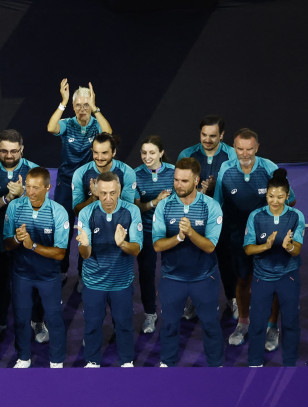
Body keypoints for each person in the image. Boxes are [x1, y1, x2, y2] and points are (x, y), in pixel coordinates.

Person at [214, 129, 292, 346]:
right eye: (240, 149)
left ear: (257, 147)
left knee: (272, 281)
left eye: (250, 149)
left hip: (269, 235)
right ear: (234, 148)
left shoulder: (269, 168)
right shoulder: (225, 169)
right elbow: (219, 204)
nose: (245, 153)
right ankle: (243, 322)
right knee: (242, 280)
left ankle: (271, 326)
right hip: (238, 236)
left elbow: (290, 199)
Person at [153, 157, 225, 367]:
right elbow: (157, 245)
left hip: (204, 277)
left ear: (196, 181)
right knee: (169, 325)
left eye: (184, 181)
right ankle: (167, 363)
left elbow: (210, 246)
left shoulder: (211, 207)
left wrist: (191, 232)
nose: (178, 185)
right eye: (176, 179)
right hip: (172, 277)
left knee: (211, 324)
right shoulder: (164, 206)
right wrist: (178, 237)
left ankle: (216, 365)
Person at [3, 167, 69, 368]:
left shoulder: (58, 212)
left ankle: (57, 361)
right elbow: (7, 244)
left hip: (49, 276)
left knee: (54, 319)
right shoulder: (15, 207)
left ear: (48, 188)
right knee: (21, 318)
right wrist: (17, 238)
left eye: (36, 188)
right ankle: (23, 357)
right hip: (22, 274)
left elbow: (60, 253)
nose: (30, 192)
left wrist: (32, 245)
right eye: (28, 187)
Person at [76, 171, 143, 367]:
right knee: (92, 325)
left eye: (112, 193)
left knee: (124, 324)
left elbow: (137, 249)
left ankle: (127, 360)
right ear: (96, 191)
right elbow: (85, 255)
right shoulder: (87, 213)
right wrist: (86, 245)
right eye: (103, 193)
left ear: (120, 190)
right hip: (93, 282)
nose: (108, 198)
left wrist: (122, 244)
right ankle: (92, 361)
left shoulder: (132, 211)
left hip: (121, 282)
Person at [0, 130, 38, 342]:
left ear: (22, 149)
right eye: (4, 151)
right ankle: (0, 321)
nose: (9, 155)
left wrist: (23, 194)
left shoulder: (33, 170)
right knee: (0, 283)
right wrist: (7, 197)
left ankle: (37, 320)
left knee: (31, 283)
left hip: (27, 238)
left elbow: (43, 205)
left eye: (14, 151)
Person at [243, 169, 305, 366]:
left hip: (288, 277)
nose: (275, 201)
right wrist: (266, 246)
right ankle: (254, 361)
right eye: (271, 196)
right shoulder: (255, 216)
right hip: (262, 277)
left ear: (288, 196)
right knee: (258, 322)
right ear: (266, 195)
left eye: (280, 197)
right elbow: (248, 249)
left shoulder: (297, 216)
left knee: (290, 322)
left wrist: (288, 246)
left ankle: (289, 362)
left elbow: (297, 250)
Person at [45, 80, 111, 236]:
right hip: (66, 182)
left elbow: (108, 134)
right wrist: (64, 102)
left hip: (89, 184)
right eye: (78, 105)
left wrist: (95, 108)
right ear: (73, 107)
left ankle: (86, 260)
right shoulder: (67, 124)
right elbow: (51, 128)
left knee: (89, 229)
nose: (82, 109)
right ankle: (62, 260)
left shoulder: (96, 124)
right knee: (63, 228)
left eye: (86, 105)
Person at [134, 136, 175, 334]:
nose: (147, 157)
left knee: (175, 272)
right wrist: (154, 203)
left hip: (171, 232)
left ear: (161, 153)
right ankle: (150, 313)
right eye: (144, 153)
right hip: (147, 231)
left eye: (152, 153)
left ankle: (177, 308)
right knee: (146, 273)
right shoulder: (134, 175)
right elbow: (136, 208)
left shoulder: (175, 172)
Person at [70, 133, 138, 216]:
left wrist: (108, 195)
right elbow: (77, 212)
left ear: (114, 152)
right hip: (90, 225)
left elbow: (128, 211)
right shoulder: (80, 174)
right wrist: (94, 197)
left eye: (104, 153)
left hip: (119, 225)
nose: (99, 157)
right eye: (96, 152)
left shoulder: (127, 172)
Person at [177, 115, 235, 195]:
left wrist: (217, 186)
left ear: (221, 135)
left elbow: (239, 189)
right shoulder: (186, 154)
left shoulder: (233, 155)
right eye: (204, 135)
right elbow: (179, 189)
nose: (207, 140)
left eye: (212, 136)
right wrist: (201, 191)